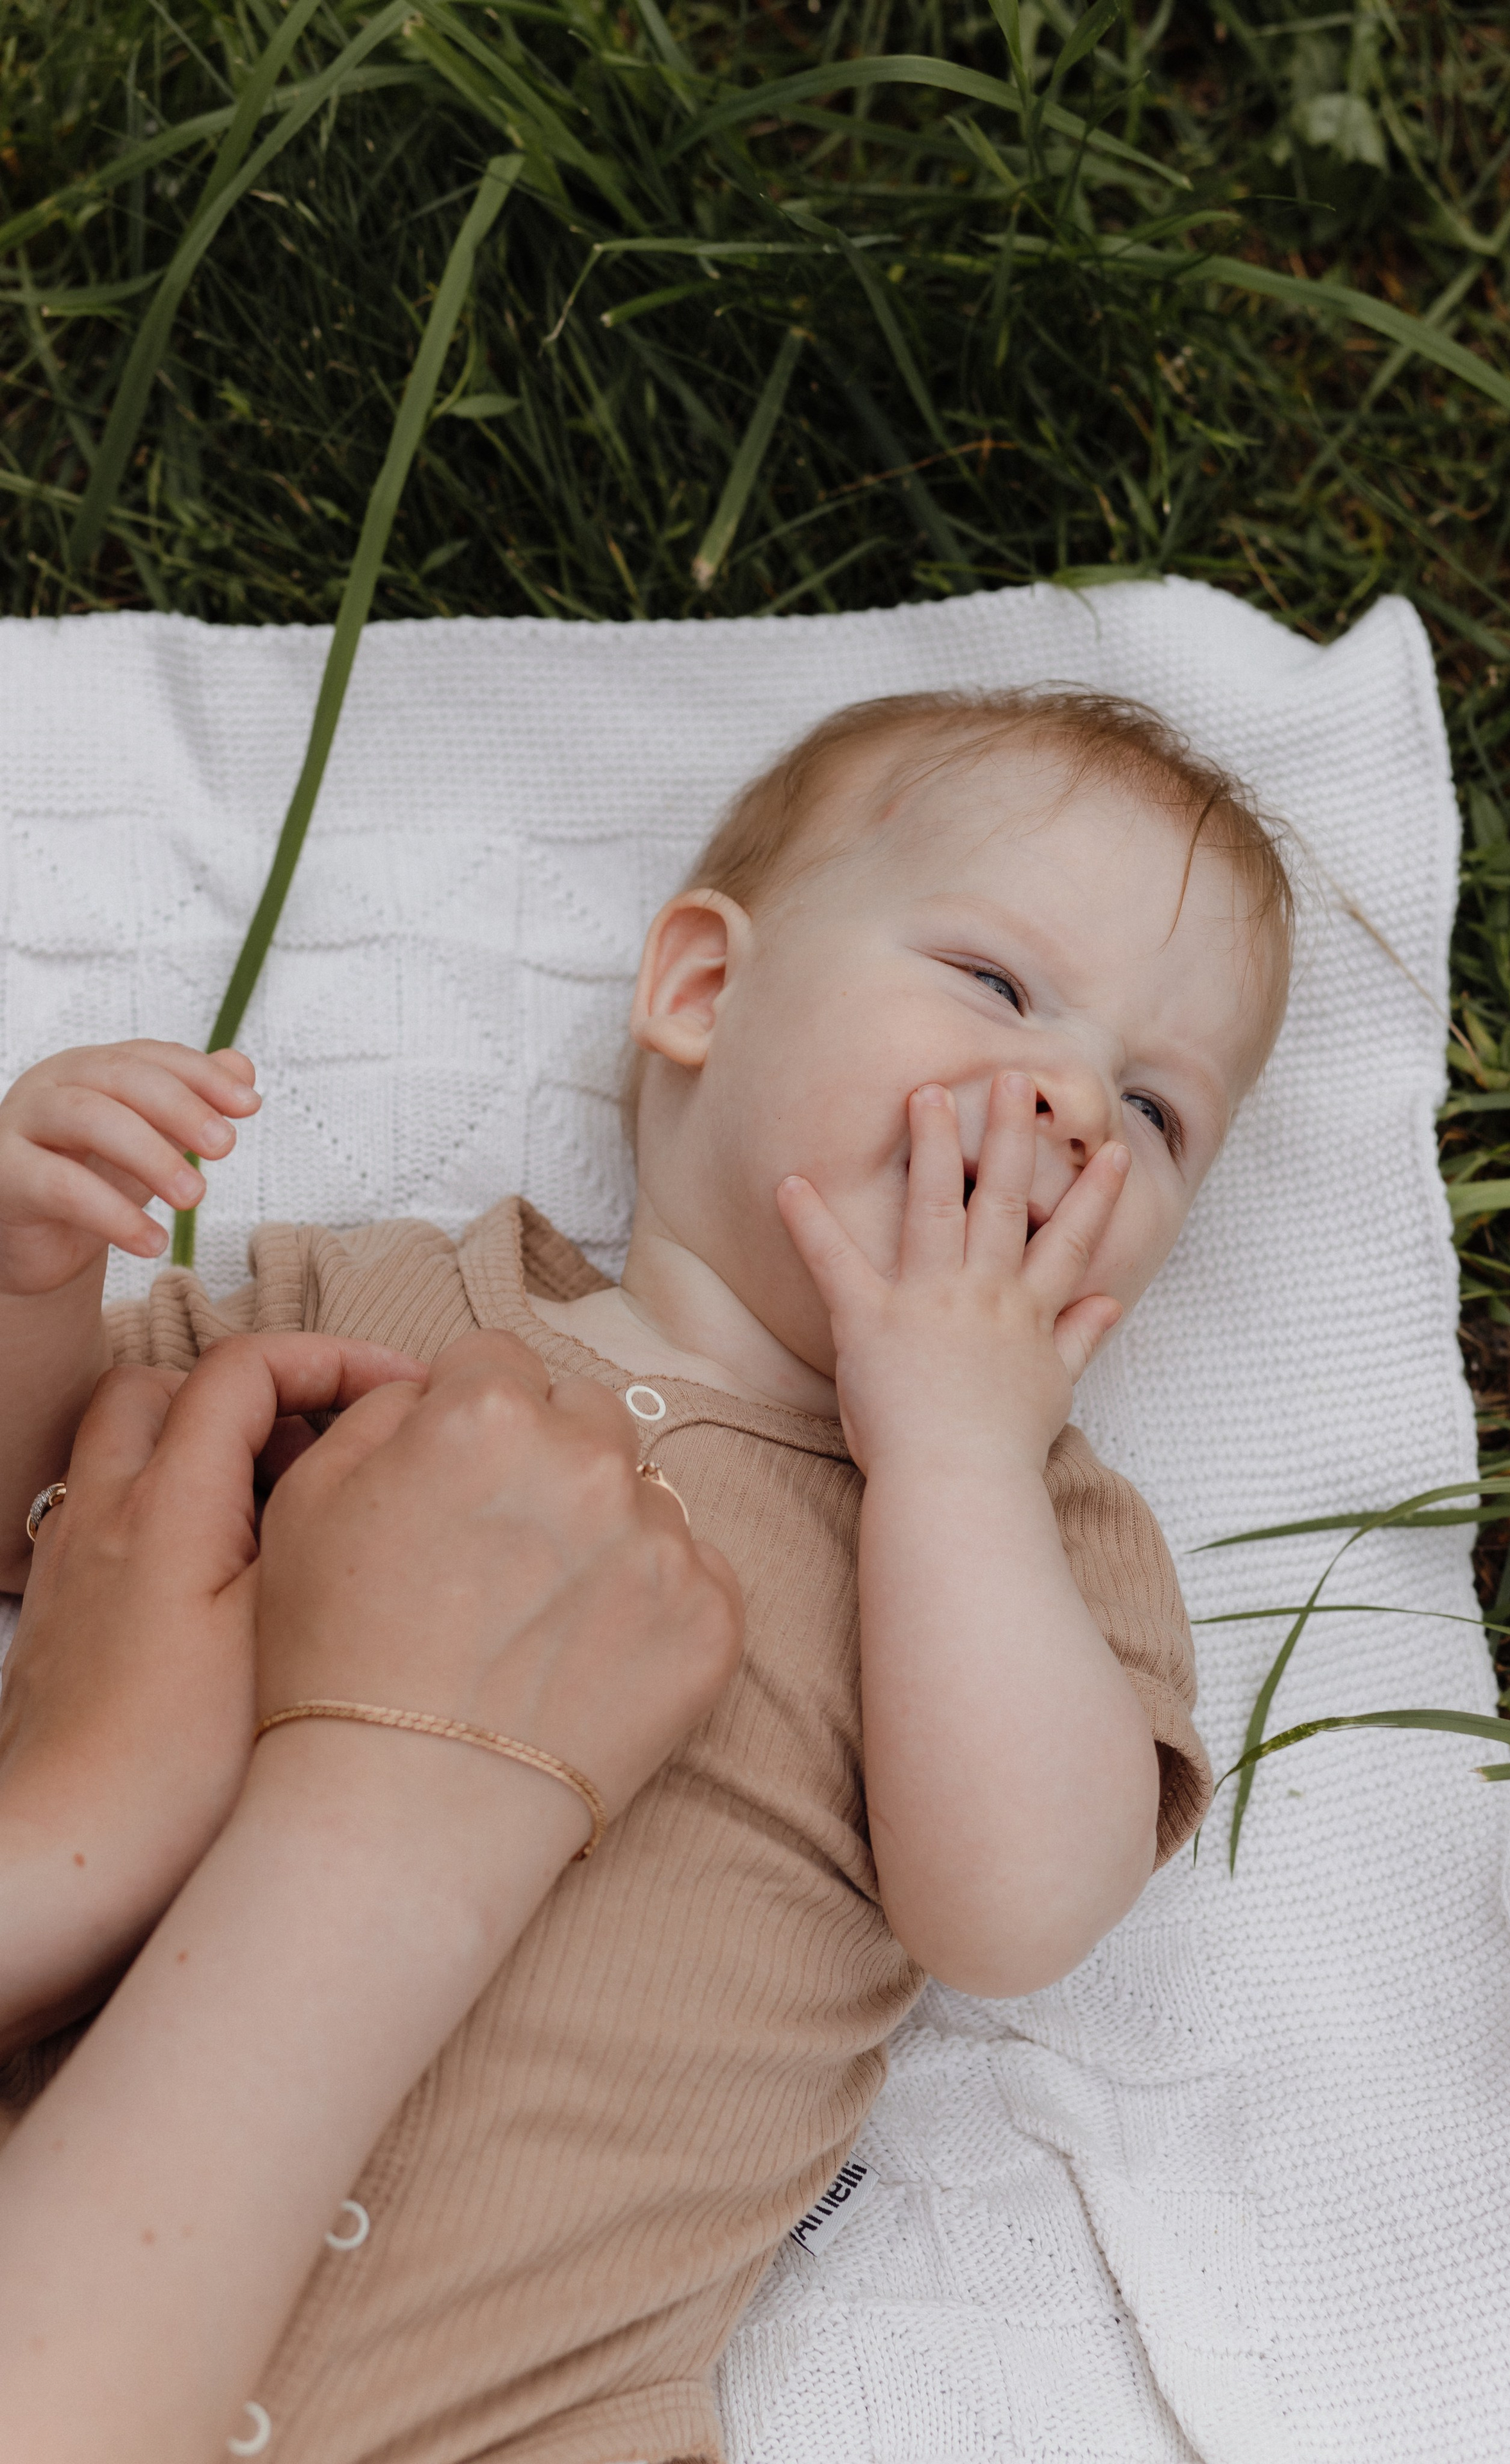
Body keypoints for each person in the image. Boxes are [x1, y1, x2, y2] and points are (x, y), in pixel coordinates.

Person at [0, 685, 1294, 2464]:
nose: (1074, 1097)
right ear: (703, 992)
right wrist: (32, 1275)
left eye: (1158, 1113)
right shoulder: (386, 1308)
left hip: (532, 2408)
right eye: (1000, 987)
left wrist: (953, 1457)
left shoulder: (1043, 1539)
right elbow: (56, 1499)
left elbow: (1006, 1915)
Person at [0, 1325, 742, 2464]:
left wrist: (71, 1830)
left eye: (1135, 1130)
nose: (1077, 1133)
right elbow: (68, 1473)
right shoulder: (370, 1305)